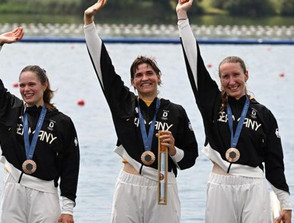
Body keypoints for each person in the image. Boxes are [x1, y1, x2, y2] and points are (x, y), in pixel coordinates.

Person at [176, 0, 292, 222]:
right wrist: (182, 18)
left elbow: (275, 162)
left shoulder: (264, 114)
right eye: (225, 77)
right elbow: (194, 63)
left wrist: (285, 204)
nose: (231, 81)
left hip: (254, 185)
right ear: (219, 80)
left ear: (246, 75)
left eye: (236, 75)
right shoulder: (211, 102)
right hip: (221, 184)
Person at [84, 1, 199, 222]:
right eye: (139, 75)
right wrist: (89, 22)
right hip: (130, 182)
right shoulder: (123, 102)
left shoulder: (176, 112)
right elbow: (103, 66)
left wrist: (173, 150)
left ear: (159, 77)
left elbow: (189, 160)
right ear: (133, 82)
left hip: (164, 182)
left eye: (149, 73)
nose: (144, 78)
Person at [0, 27, 80, 223]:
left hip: (45, 193)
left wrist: (68, 209)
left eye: (31, 84)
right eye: (22, 85)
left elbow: (70, 166)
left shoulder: (62, 122)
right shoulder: (10, 109)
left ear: (44, 85)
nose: (26, 89)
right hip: (13, 189)